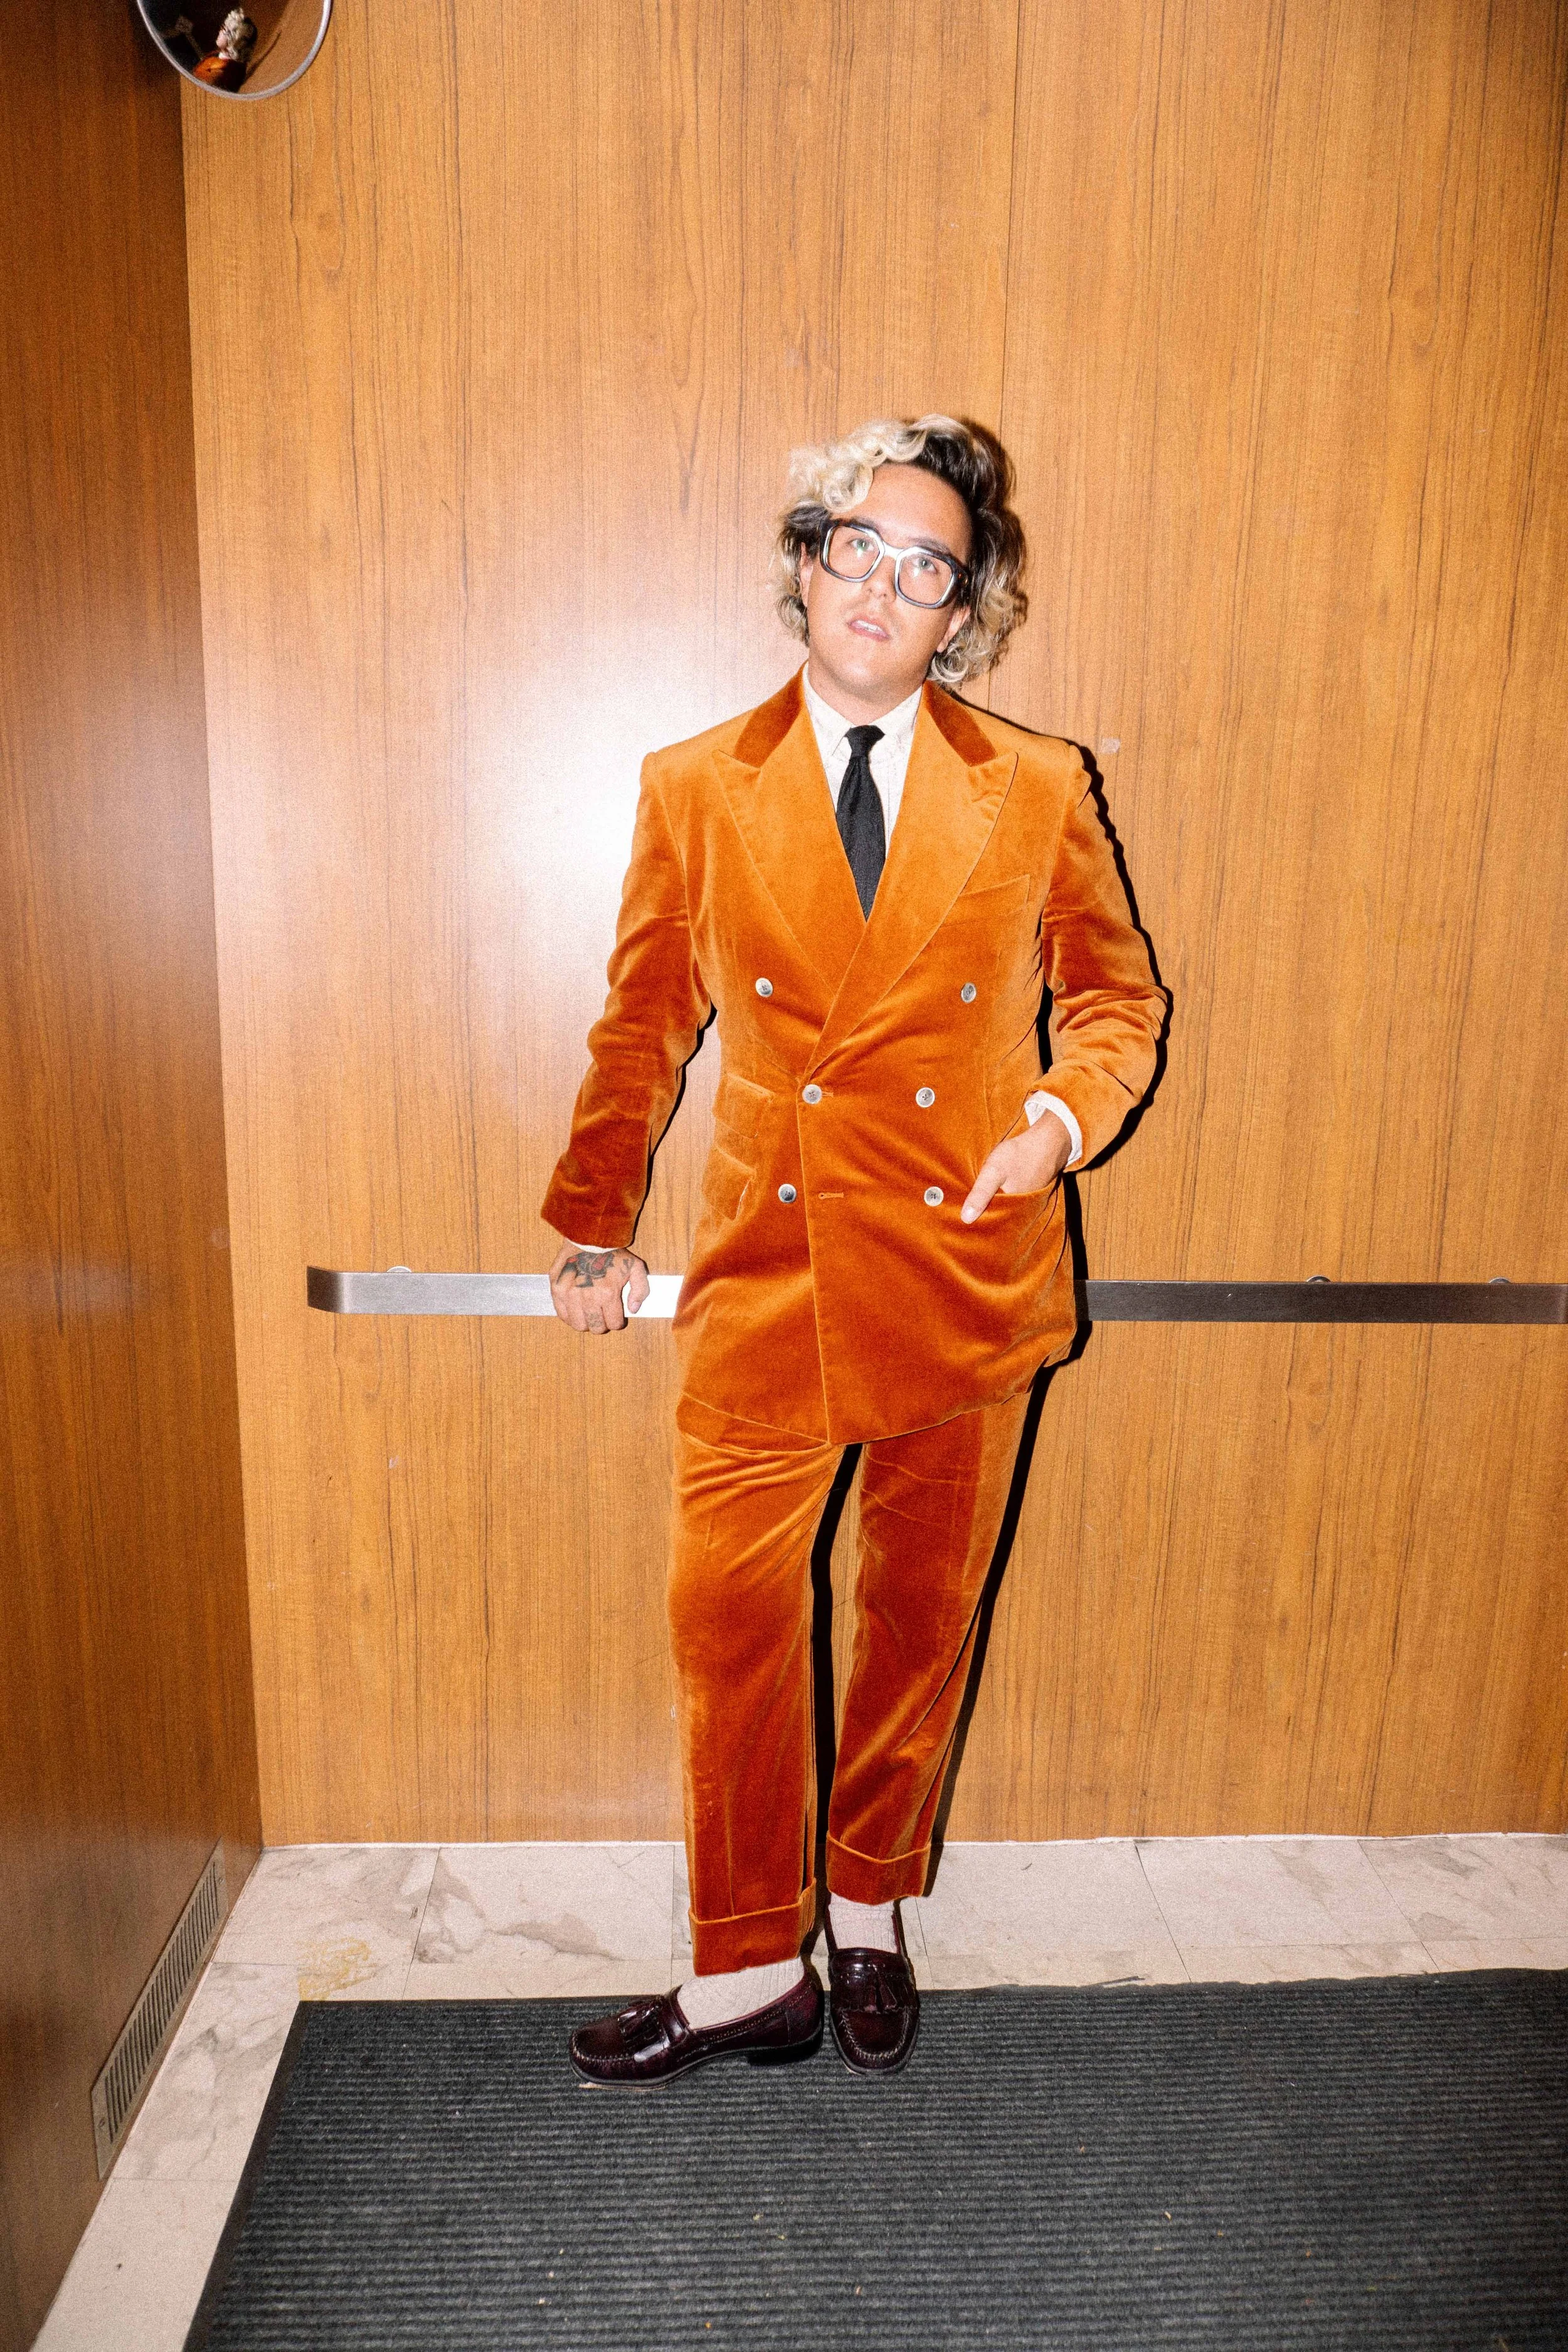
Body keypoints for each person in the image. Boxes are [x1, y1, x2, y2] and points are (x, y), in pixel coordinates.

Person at [543, 416, 1164, 2085]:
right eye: (855, 544)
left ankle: (869, 1903)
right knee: (728, 1618)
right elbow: (640, 1022)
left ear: (966, 605)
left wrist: (1051, 1116)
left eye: (925, 561)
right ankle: (748, 1960)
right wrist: (595, 1216)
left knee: (912, 1611)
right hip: (770, 1264)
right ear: (802, 562)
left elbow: (1113, 1002)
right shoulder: (694, 783)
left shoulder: (1037, 783)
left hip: (967, 1263)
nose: (882, 583)